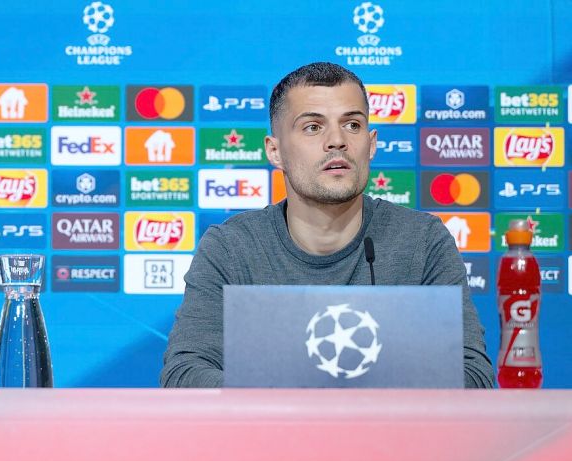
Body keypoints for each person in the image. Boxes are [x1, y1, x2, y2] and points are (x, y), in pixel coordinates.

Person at [161, 62, 494, 388]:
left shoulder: (422, 241)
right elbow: (184, 375)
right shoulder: (232, 247)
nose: (337, 140)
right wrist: (308, 406)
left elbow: (474, 377)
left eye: (352, 125)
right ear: (275, 152)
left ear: (372, 143)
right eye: (313, 127)